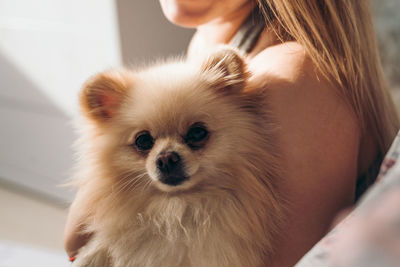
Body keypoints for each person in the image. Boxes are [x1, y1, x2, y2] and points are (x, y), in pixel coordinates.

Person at [64, 0, 400, 265]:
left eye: (196, 134)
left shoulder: (294, 78)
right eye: (143, 142)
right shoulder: (213, 42)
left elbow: (76, 238)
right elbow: (80, 242)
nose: (165, 156)